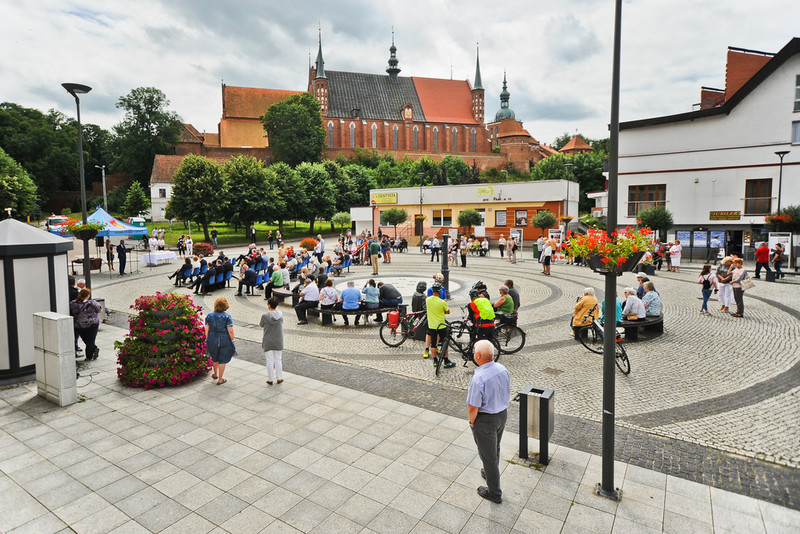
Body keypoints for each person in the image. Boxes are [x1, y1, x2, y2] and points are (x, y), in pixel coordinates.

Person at [467, 339, 510, 504]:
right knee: (495, 447)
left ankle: (494, 492)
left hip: (485, 420)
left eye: (474, 351)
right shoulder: (502, 369)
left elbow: (473, 406)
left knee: (488, 454)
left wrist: (472, 422)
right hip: (501, 415)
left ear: (477, 355)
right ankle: (489, 472)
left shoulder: (479, 378)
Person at [205, 297, 235, 385]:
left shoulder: (209, 315)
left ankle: (215, 374)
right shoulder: (227, 316)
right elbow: (230, 330)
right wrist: (232, 340)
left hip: (212, 338)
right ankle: (220, 379)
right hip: (224, 339)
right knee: (223, 359)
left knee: (215, 358)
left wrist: (207, 339)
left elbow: (206, 329)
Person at [426, 284, 455, 368]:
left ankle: (435, 360)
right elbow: (448, 312)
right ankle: (446, 361)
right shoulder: (442, 302)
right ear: (440, 291)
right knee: (444, 343)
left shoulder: (427, 300)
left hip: (432, 325)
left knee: (433, 343)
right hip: (441, 325)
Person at [70, 288, 102, 361]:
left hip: (80, 325)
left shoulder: (73, 303)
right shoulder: (92, 303)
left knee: (87, 340)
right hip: (92, 324)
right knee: (90, 341)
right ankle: (89, 356)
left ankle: (93, 350)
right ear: (88, 295)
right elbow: (100, 310)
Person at [261, 297, 284, 384]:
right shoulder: (281, 314)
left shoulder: (265, 315)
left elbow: (261, 324)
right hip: (278, 339)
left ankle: (270, 379)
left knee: (269, 361)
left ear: (269, 305)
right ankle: (279, 377)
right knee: (278, 360)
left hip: (268, 339)